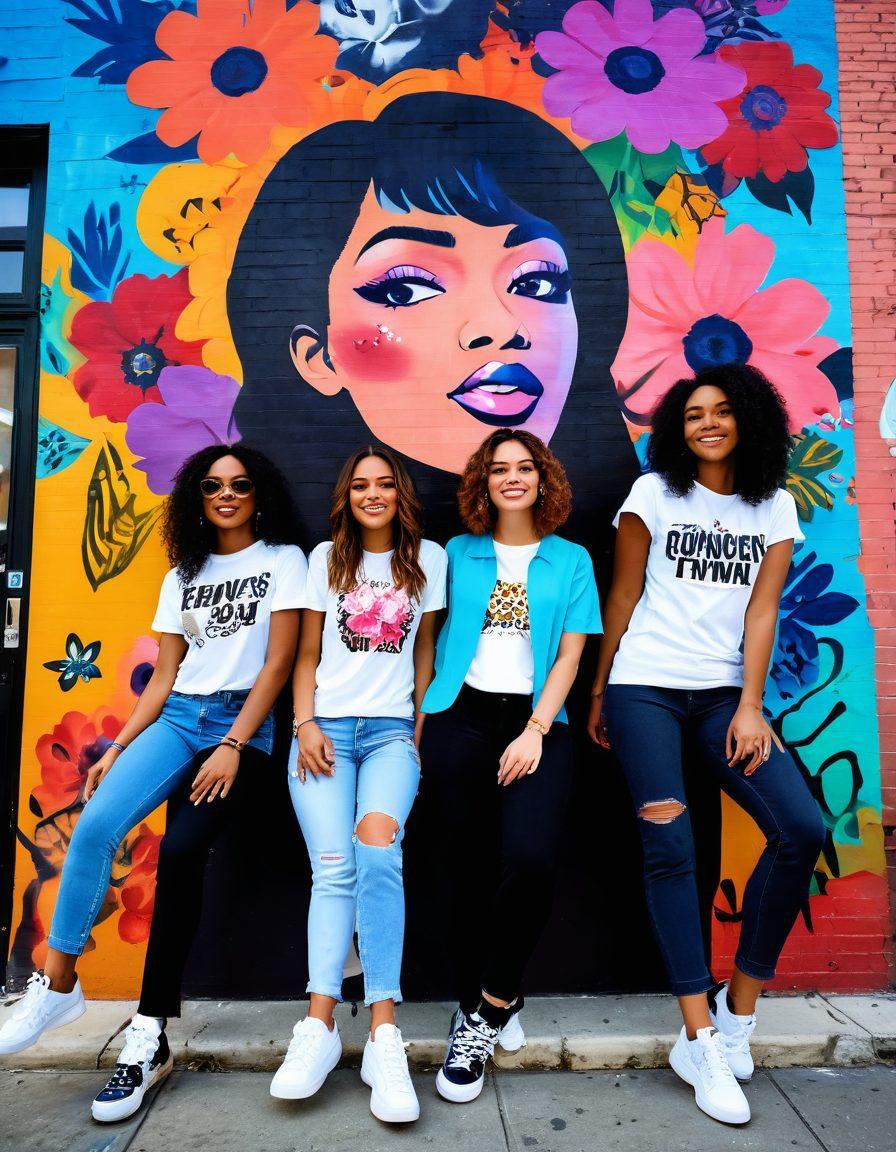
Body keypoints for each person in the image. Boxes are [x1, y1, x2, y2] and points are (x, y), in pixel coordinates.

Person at [0, 445, 306, 1125]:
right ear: (196, 497)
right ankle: (59, 984)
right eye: (212, 485)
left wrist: (232, 744)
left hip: (239, 726)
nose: (226, 494)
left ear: (261, 493)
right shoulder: (183, 575)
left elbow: (279, 665)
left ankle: (149, 1032)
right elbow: (166, 676)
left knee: (178, 853)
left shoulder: (285, 562)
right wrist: (121, 746)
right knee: (99, 825)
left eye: (240, 484)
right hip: (177, 719)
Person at [229, 90, 637, 551]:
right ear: (318, 357)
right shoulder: (309, 564)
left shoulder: (585, 557)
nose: (500, 327)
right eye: (407, 289)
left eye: (536, 283)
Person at [587, 364, 825, 1126]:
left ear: (748, 419)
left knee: (801, 828)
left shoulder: (776, 508)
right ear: (676, 429)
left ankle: (738, 1009)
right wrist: (600, 692)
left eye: (721, 412)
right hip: (644, 688)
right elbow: (622, 595)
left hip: (726, 697)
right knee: (672, 849)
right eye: (693, 415)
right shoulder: (653, 495)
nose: (707, 424)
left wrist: (752, 706)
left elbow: (762, 614)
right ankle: (698, 1038)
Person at [419, 427, 601, 1103]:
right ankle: (474, 1007)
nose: (514, 477)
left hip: (535, 723)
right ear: (483, 482)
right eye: (500, 469)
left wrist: (534, 730)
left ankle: (494, 1004)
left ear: (544, 477)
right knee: (465, 869)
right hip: (458, 717)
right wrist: (421, 716)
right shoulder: (456, 554)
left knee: (529, 860)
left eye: (526, 467)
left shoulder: (571, 559)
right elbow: (428, 638)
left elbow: (571, 657)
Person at [270, 445, 446, 1124]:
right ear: (346, 496)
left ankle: (383, 1036)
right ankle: (318, 1027)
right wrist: (304, 721)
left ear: (401, 493)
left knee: (379, 854)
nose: (373, 495)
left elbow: (425, 648)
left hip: (391, 735)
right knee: (335, 868)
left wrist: (419, 728)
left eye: (385, 485)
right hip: (325, 732)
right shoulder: (325, 560)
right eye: (361, 486)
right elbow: (308, 652)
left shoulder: (432, 560)